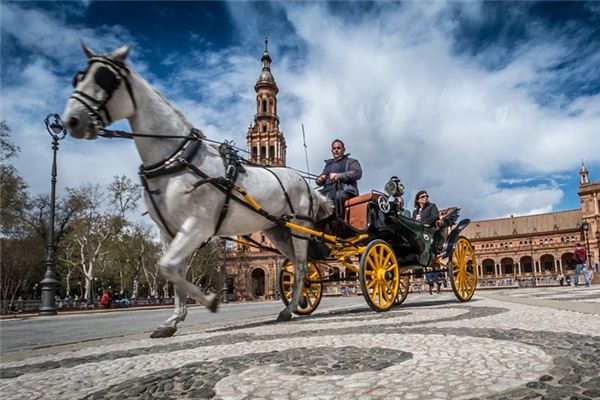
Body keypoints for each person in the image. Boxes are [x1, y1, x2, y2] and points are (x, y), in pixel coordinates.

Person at [316, 139, 362, 214]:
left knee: (335, 197)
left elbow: (357, 173)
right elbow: (319, 180)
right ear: (332, 151)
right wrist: (319, 179)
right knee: (312, 198)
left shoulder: (351, 161)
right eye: (334, 148)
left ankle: (332, 221)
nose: (336, 150)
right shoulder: (328, 165)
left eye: (339, 148)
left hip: (345, 191)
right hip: (327, 191)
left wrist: (339, 176)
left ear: (343, 150)